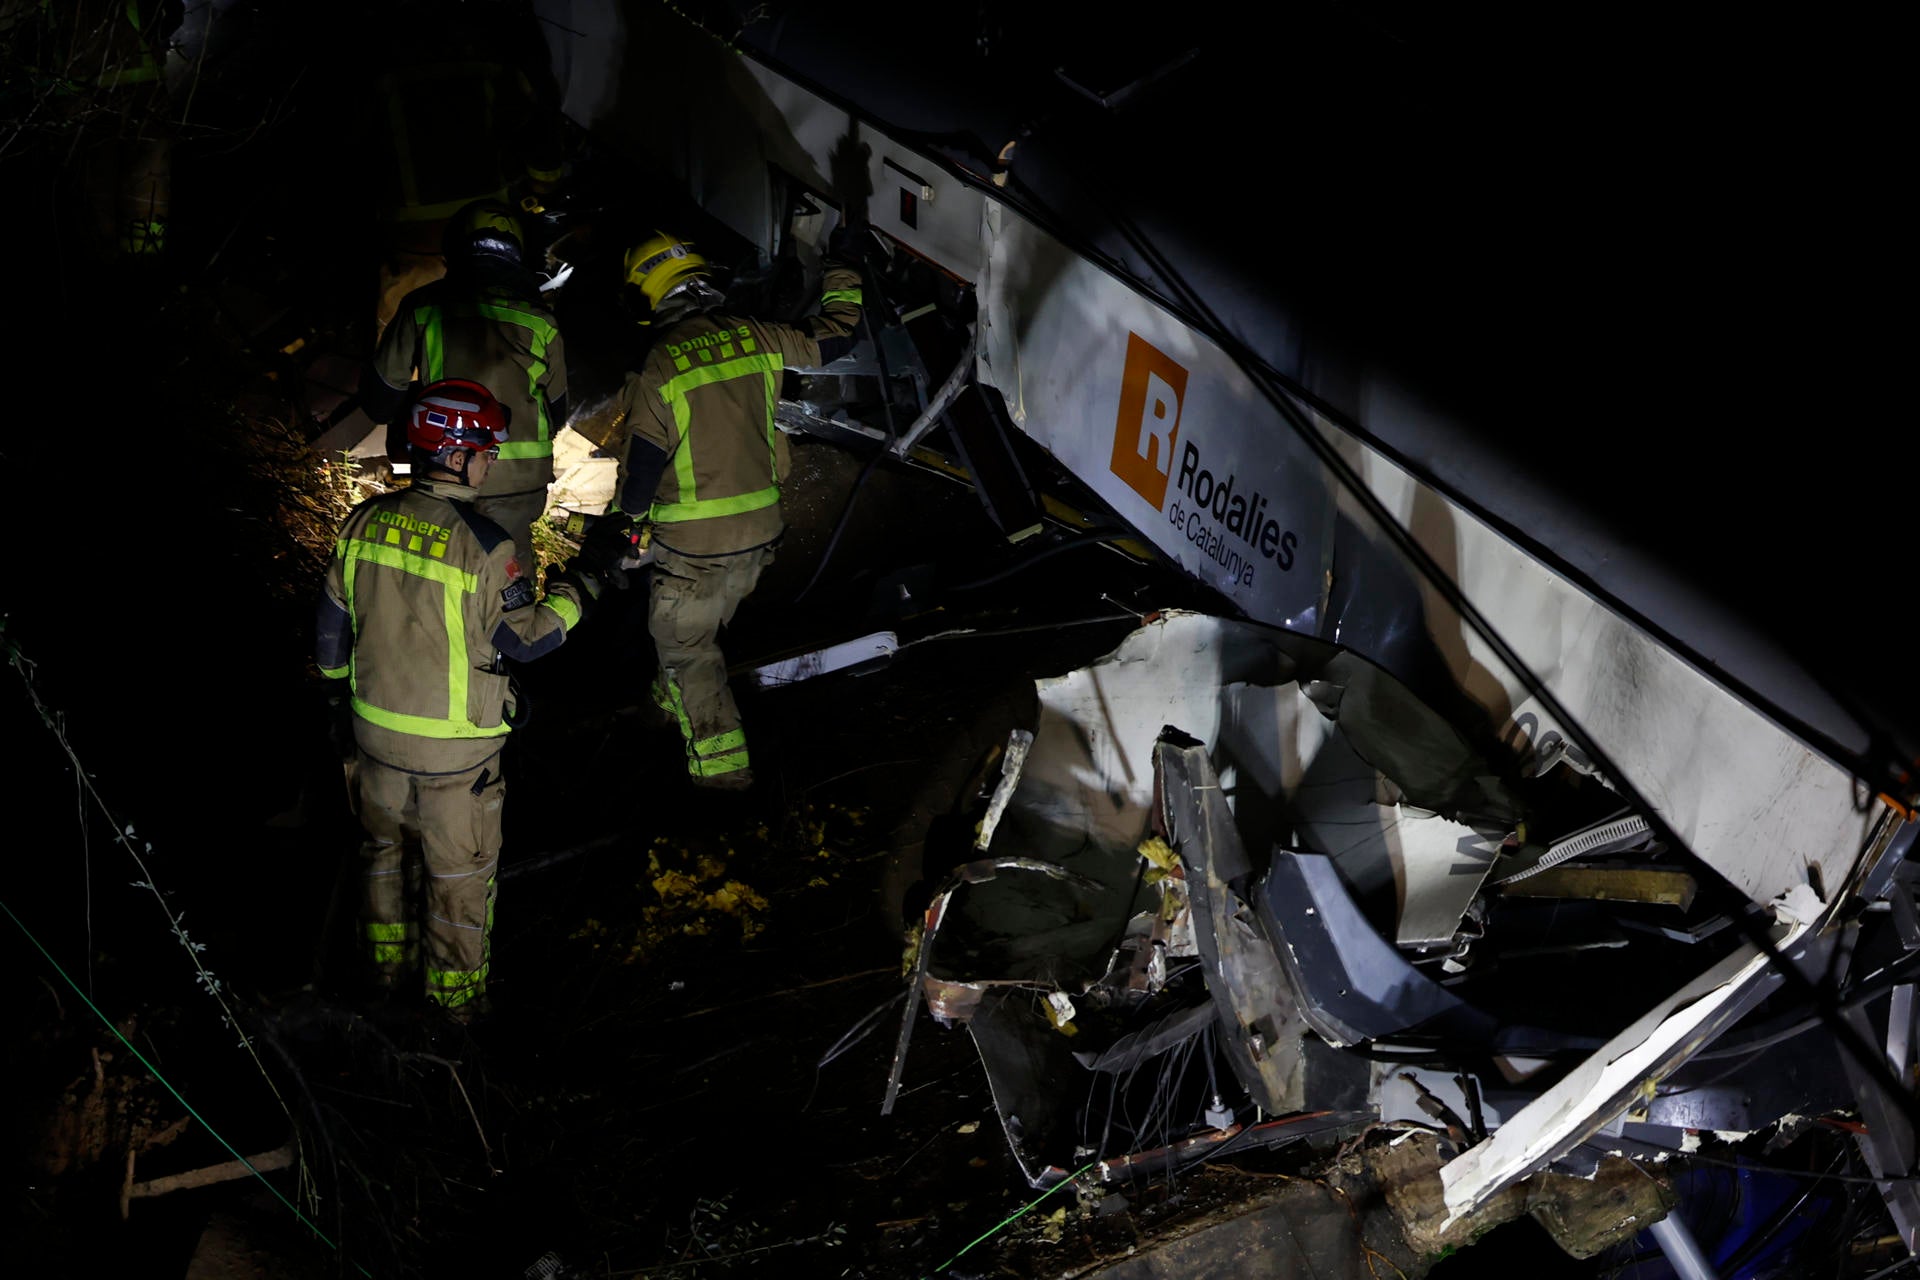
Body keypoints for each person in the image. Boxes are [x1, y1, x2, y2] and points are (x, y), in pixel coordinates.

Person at [315, 379, 602, 1015]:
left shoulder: (362, 522)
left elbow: (330, 637)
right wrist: (585, 587)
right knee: (459, 888)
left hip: (373, 744)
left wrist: (340, 709)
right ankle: (454, 1021)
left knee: (383, 867)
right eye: (485, 448)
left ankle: (383, 987)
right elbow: (526, 642)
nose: (492, 458)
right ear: (452, 454)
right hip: (455, 762)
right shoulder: (487, 545)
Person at [599, 231, 863, 790]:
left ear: (647, 299)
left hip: (695, 546)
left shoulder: (661, 365)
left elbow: (642, 467)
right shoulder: (754, 335)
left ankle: (724, 784)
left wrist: (625, 527)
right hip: (760, 535)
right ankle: (661, 712)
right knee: (694, 636)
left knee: (688, 649)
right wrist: (844, 266)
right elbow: (837, 336)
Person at [362, 200, 568, 569]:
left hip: (446, 469)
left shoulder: (423, 306)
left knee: (442, 572)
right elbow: (559, 413)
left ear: (455, 249)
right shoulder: (542, 320)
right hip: (522, 481)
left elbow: (378, 403)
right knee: (507, 577)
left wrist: (416, 400)